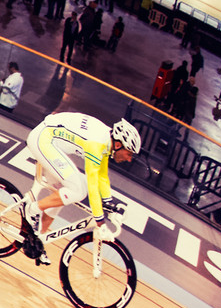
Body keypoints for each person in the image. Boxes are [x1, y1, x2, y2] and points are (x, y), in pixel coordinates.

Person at [19, 112, 139, 265]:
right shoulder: (97, 145)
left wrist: (109, 202)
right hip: (43, 140)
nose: (129, 159)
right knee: (77, 189)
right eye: (129, 154)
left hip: (52, 142)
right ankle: (32, 209)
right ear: (118, 145)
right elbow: (93, 184)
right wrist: (100, 222)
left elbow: (102, 176)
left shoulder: (106, 142)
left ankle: (37, 240)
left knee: (61, 195)